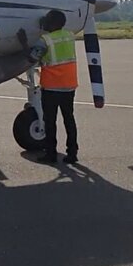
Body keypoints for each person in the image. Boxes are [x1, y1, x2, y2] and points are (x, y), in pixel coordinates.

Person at [18, 9, 97, 165]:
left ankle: (51, 154)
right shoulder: (69, 36)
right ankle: (72, 153)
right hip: (69, 85)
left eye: (47, 20)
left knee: (50, 121)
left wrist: (23, 42)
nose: (44, 21)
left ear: (53, 23)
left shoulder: (45, 40)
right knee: (69, 119)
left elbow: (32, 57)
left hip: (52, 87)